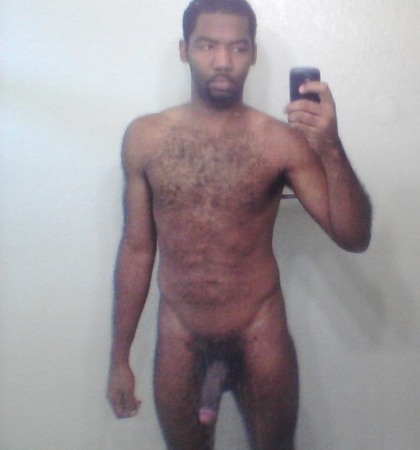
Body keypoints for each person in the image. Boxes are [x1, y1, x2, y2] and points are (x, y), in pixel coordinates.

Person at [107, 0, 372, 449]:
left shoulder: (281, 142)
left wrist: (330, 147)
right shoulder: (144, 138)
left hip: (259, 329)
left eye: (237, 47)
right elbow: (136, 248)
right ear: (184, 50)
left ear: (252, 54)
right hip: (179, 332)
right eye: (207, 45)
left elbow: (354, 236)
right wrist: (119, 358)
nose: (223, 61)